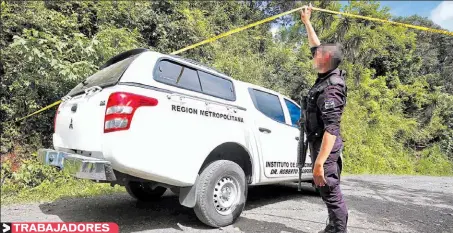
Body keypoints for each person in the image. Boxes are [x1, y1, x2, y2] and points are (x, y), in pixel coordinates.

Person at [299, 3, 349, 233]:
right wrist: (307, 22)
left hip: (325, 147)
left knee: (330, 192)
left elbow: (332, 128)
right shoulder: (325, 73)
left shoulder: (331, 87)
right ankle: (333, 227)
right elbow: (316, 45)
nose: (313, 54)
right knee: (326, 191)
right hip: (318, 143)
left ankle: (339, 230)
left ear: (326, 58)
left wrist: (319, 163)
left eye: (317, 54)